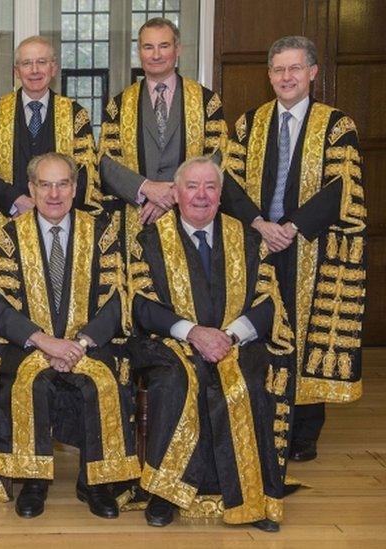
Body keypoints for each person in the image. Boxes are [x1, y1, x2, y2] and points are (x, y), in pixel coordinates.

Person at [129, 157, 295, 532]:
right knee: (176, 380)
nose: (201, 196)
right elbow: (141, 304)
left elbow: (268, 301)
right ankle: (165, 493)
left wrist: (230, 335)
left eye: (210, 187)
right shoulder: (150, 240)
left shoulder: (249, 239)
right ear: (176, 193)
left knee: (249, 380)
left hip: (235, 340)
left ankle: (251, 494)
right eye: (192, 187)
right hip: (171, 341)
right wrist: (192, 332)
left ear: (221, 195)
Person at [221, 35, 366, 462]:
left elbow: (341, 188)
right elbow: (229, 182)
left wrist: (292, 227)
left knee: (305, 330)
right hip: (257, 241)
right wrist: (261, 224)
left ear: (312, 73)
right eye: (278, 70)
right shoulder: (250, 123)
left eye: (294, 69)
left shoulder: (337, 126)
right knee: (260, 328)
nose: (286, 77)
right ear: (269, 76)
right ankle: (260, 415)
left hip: (312, 246)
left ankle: (303, 432)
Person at [0, 152, 139, 520]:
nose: (54, 194)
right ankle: (33, 482)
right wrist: (42, 340)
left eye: (62, 184)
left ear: (75, 188)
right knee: (28, 383)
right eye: (45, 184)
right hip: (30, 345)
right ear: (31, 190)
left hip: (88, 344)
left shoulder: (101, 233)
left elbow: (118, 298)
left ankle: (97, 483)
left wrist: (79, 344)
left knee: (103, 383)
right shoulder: (7, 237)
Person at [99, 17, 228, 271]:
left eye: (164, 46)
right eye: (148, 47)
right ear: (139, 52)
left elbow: (217, 155)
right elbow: (105, 161)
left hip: (191, 217)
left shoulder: (206, 102)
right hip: (136, 218)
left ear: (177, 50)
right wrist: (147, 188)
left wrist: (171, 195)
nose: (156, 54)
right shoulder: (119, 104)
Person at [0, 35, 98, 242]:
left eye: (42, 62)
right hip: (7, 222)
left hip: (61, 225)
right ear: (16, 72)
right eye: (27, 63)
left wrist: (49, 205)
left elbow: (85, 172)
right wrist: (16, 200)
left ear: (54, 68)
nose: (35, 70)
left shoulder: (75, 114)